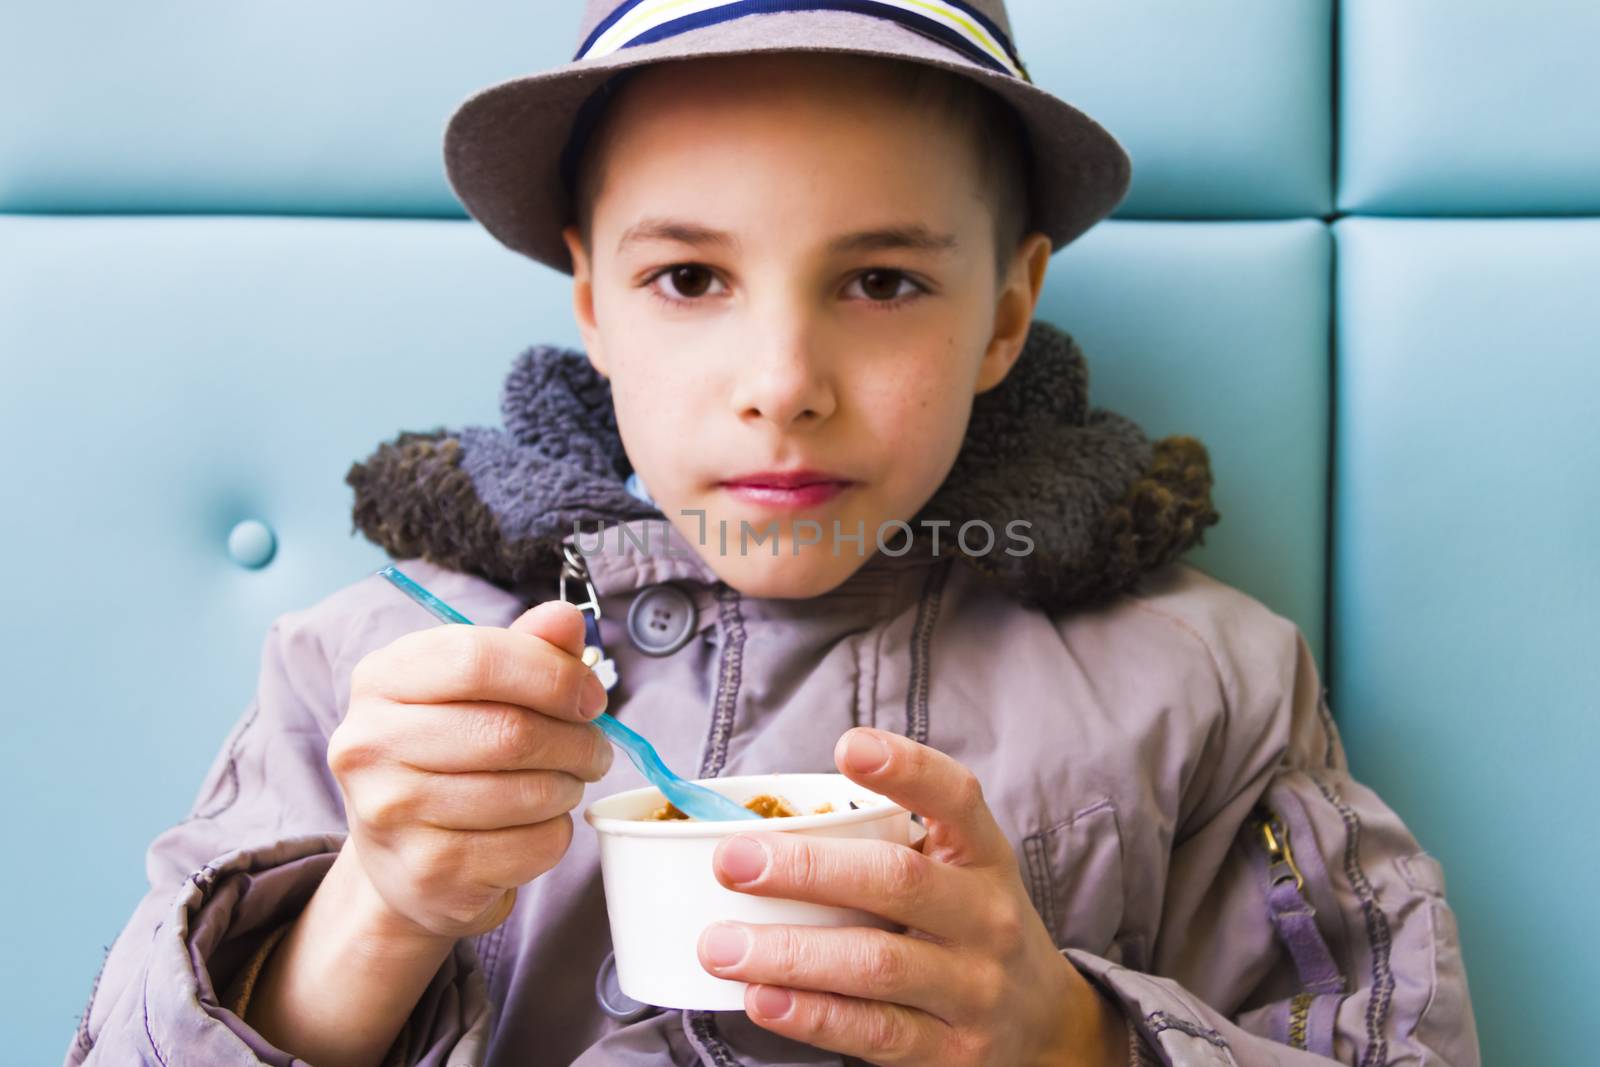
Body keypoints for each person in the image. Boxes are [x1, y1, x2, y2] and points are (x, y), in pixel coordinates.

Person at [65, 2, 1481, 1065]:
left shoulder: (1205, 684)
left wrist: (1069, 1037)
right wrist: (377, 906)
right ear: (592, 302)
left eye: (878, 281)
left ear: (1002, 310)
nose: (782, 384)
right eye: (689, 277)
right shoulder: (379, 674)